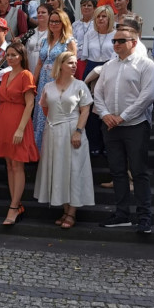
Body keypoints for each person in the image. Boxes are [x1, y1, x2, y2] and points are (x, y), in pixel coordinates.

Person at [94, 28, 154, 233]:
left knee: (138, 172)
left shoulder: (146, 64)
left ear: (134, 41)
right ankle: (122, 214)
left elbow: (147, 95)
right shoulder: (108, 66)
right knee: (117, 171)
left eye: (121, 40)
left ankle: (144, 216)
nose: (116, 44)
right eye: (114, 41)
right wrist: (105, 115)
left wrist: (123, 116)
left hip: (135, 125)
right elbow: (98, 93)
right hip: (111, 126)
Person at [34, 52, 94, 228]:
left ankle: (72, 214)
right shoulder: (48, 86)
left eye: (75, 63)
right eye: (70, 63)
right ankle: (65, 210)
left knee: (74, 169)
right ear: (60, 65)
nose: (75, 65)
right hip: (53, 132)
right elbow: (45, 108)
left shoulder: (80, 85)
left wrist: (78, 131)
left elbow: (85, 110)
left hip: (73, 131)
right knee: (58, 169)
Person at [0, 43, 39, 225]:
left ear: (22, 56)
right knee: (9, 165)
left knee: (17, 166)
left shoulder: (26, 75)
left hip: (18, 122)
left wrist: (21, 129)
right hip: (3, 121)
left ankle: (14, 207)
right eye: (8, 55)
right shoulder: (6, 74)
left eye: (14, 55)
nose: (10, 58)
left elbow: (30, 104)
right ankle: (16, 203)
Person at [33, 9, 76, 150]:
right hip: (43, 82)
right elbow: (40, 63)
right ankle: (40, 150)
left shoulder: (69, 41)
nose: (54, 24)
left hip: (59, 81)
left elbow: (72, 65)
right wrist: (33, 81)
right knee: (41, 113)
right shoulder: (45, 40)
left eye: (57, 21)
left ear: (64, 23)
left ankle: (55, 149)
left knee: (54, 113)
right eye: (52, 21)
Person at [80, 5, 115, 155]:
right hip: (92, 70)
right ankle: (94, 144)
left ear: (110, 18)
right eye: (98, 16)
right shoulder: (89, 34)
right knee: (91, 108)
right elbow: (84, 56)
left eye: (104, 16)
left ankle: (108, 144)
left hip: (110, 68)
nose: (101, 19)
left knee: (107, 107)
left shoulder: (115, 34)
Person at [72, 0, 97, 76]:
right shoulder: (75, 24)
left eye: (89, 5)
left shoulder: (97, 23)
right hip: (78, 58)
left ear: (94, 8)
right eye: (84, 5)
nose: (86, 7)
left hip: (93, 58)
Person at [25, 4, 51, 75]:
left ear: (49, 15)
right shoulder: (31, 32)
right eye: (38, 12)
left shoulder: (52, 33)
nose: (40, 14)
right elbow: (26, 51)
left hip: (45, 69)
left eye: (43, 12)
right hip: (31, 67)